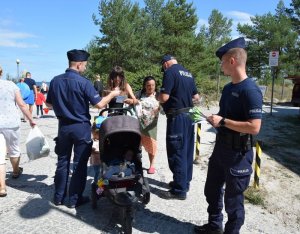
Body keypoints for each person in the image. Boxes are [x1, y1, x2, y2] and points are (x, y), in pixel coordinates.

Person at [194, 37, 263, 234]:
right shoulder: (228, 88)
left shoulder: (250, 90)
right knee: (212, 190)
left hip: (238, 155)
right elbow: (224, 117)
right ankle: (214, 226)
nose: (221, 66)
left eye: (222, 61)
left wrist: (223, 122)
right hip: (221, 149)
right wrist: (215, 119)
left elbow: (254, 127)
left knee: (233, 201)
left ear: (232, 61)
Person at [46, 49, 120, 208]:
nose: (85, 68)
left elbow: (48, 104)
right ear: (79, 64)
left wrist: (63, 106)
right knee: (79, 164)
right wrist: (113, 94)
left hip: (63, 127)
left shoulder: (55, 81)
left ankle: (58, 197)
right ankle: (74, 200)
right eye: (85, 65)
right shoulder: (83, 82)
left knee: (62, 162)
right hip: (80, 128)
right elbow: (99, 104)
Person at [158, 55, 200, 200]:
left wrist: (157, 96)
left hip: (177, 117)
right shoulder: (188, 73)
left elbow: (164, 97)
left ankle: (179, 190)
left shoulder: (170, 72)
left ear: (165, 64)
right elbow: (197, 97)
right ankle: (184, 182)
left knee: (177, 151)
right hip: (190, 115)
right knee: (187, 150)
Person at [0, 65, 36, 197]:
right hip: (11, 123)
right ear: (1, 72)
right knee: (14, 149)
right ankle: (15, 171)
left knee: (0, 155)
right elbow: (21, 104)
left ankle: (2, 187)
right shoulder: (11, 85)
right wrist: (31, 119)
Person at [135, 76, 160, 174]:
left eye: (153, 85)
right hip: (139, 124)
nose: (151, 87)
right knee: (137, 145)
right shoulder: (140, 94)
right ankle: (137, 164)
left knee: (151, 145)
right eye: (148, 85)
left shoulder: (158, 96)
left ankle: (152, 165)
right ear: (145, 86)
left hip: (151, 125)